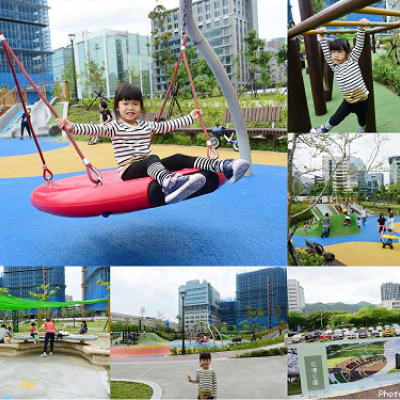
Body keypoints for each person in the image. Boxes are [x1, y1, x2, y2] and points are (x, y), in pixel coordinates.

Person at [57, 83, 250, 205]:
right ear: (117, 107)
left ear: (140, 106)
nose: (130, 108)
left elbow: (168, 126)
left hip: (150, 165)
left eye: (134, 104)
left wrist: (189, 118)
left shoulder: (145, 125)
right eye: (125, 104)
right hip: (129, 169)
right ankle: (169, 183)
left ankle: (224, 166)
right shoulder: (114, 126)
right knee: (152, 158)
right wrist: (71, 126)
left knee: (178, 157)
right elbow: (92, 130)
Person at [311, 19, 370, 134]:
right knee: (336, 117)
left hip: (363, 100)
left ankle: (362, 128)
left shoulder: (352, 59)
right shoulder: (335, 67)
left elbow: (358, 46)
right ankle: (325, 128)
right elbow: (326, 55)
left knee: (362, 119)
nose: (335, 55)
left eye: (339, 52)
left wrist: (361, 28)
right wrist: (322, 38)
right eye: (333, 52)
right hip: (348, 101)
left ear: (347, 53)